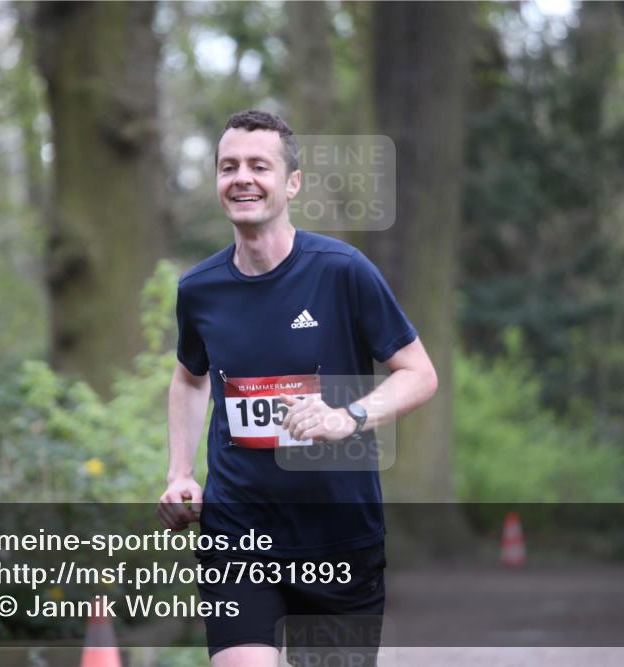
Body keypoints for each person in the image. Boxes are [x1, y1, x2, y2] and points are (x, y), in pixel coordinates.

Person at [157, 109, 437, 666]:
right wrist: (180, 473)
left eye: (259, 166)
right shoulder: (200, 289)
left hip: (338, 534)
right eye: (228, 166)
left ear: (292, 182)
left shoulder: (342, 271)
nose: (242, 178)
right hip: (239, 532)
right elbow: (190, 376)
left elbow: (419, 373)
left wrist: (348, 417)